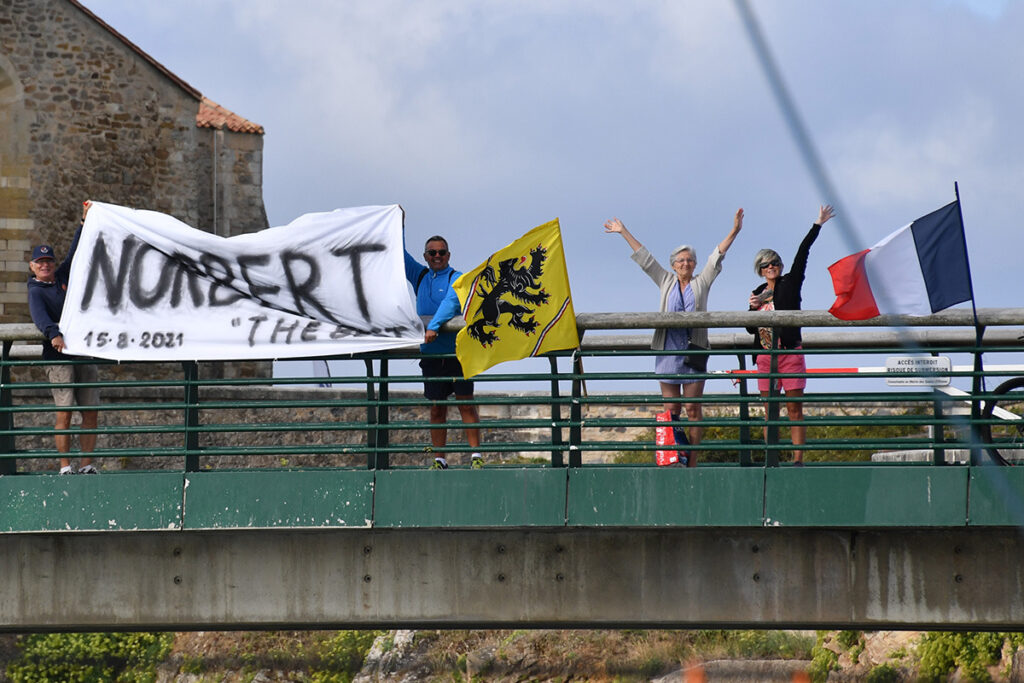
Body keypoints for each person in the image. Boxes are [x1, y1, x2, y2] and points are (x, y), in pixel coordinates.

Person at [604, 209, 744, 466]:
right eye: (680, 261)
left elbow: (716, 258)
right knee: (672, 411)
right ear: (673, 265)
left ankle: (692, 461)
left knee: (692, 409)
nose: (685, 264)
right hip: (668, 351)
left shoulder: (701, 283)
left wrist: (734, 230)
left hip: (694, 352)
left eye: (689, 260)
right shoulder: (665, 281)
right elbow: (646, 260)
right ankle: (673, 458)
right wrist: (623, 231)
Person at [747, 204, 835, 466]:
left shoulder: (791, 282)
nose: (771, 266)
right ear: (760, 270)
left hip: (790, 353)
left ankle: (798, 460)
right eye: (766, 264)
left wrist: (816, 225)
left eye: (775, 263)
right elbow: (750, 329)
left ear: (781, 266)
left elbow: (803, 252)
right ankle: (769, 458)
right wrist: (751, 310)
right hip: (764, 357)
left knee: (794, 410)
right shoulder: (757, 292)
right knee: (768, 413)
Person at [27, 200, 100, 474]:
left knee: (91, 409)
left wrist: (83, 221)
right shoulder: (35, 290)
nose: (45, 265)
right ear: (32, 266)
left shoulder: (59, 277)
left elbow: (75, 252)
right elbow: (39, 316)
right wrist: (53, 333)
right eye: (40, 262)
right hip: (58, 355)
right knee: (65, 412)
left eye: (48, 261)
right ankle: (65, 466)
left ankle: (87, 465)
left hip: (81, 348)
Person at [404, 234, 482, 469]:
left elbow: (451, 302)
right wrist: (399, 223)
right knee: (437, 406)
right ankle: (439, 459)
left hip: (457, 353)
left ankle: (476, 457)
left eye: (441, 252)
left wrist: (434, 326)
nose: (437, 256)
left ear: (448, 255)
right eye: (432, 253)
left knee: (466, 403)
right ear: (425, 256)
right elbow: (398, 253)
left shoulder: (456, 278)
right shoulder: (419, 276)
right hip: (431, 355)